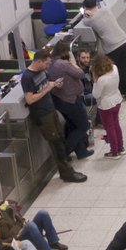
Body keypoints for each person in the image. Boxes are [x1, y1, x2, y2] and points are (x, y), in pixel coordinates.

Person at [21, 49, 87, 183]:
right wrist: (48, 89)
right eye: (46, 64)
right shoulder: (27, 77)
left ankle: (68, 170)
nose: (47, 67)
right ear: (38, 61)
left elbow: (44, 86)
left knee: (60, 139)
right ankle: (67, 173)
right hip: (42, 115)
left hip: (50, 110)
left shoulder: (41, 71)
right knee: (56, 144)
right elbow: (30, 99)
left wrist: (53, 84)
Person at [0, 196, 67, 250]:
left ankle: (53, 242)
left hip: (24, 232)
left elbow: (16, 220)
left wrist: (22, 223)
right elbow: (8, 239)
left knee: (42, 213)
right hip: (19, 241)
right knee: (31, 225)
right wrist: (20, 229)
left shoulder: (2, 212)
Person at [81, 0, 126, 101]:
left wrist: (86, 14)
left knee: (114, 71)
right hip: (123, 41)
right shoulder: (106, 10)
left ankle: (119, 92)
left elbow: (84, 21)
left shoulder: (91, 20)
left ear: (86, 8)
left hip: (112, 47)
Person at [47, 41, 93, 160]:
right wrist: (72, 62)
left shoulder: (51, 63)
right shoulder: (64, 64)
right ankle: (63, 153)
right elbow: (81, 74)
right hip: (70, 100)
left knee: (73, 125)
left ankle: (81, 151)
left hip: (59, 100)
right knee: (83, 126)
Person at [91, 53, 124, 159]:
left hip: (106, 105)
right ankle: (120, 148)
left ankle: (114, 151)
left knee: (110, 128)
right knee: (116, 125)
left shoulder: (101, 79)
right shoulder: (115, 68)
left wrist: (95, 81)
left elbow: (96, 94)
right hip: (117, 100)